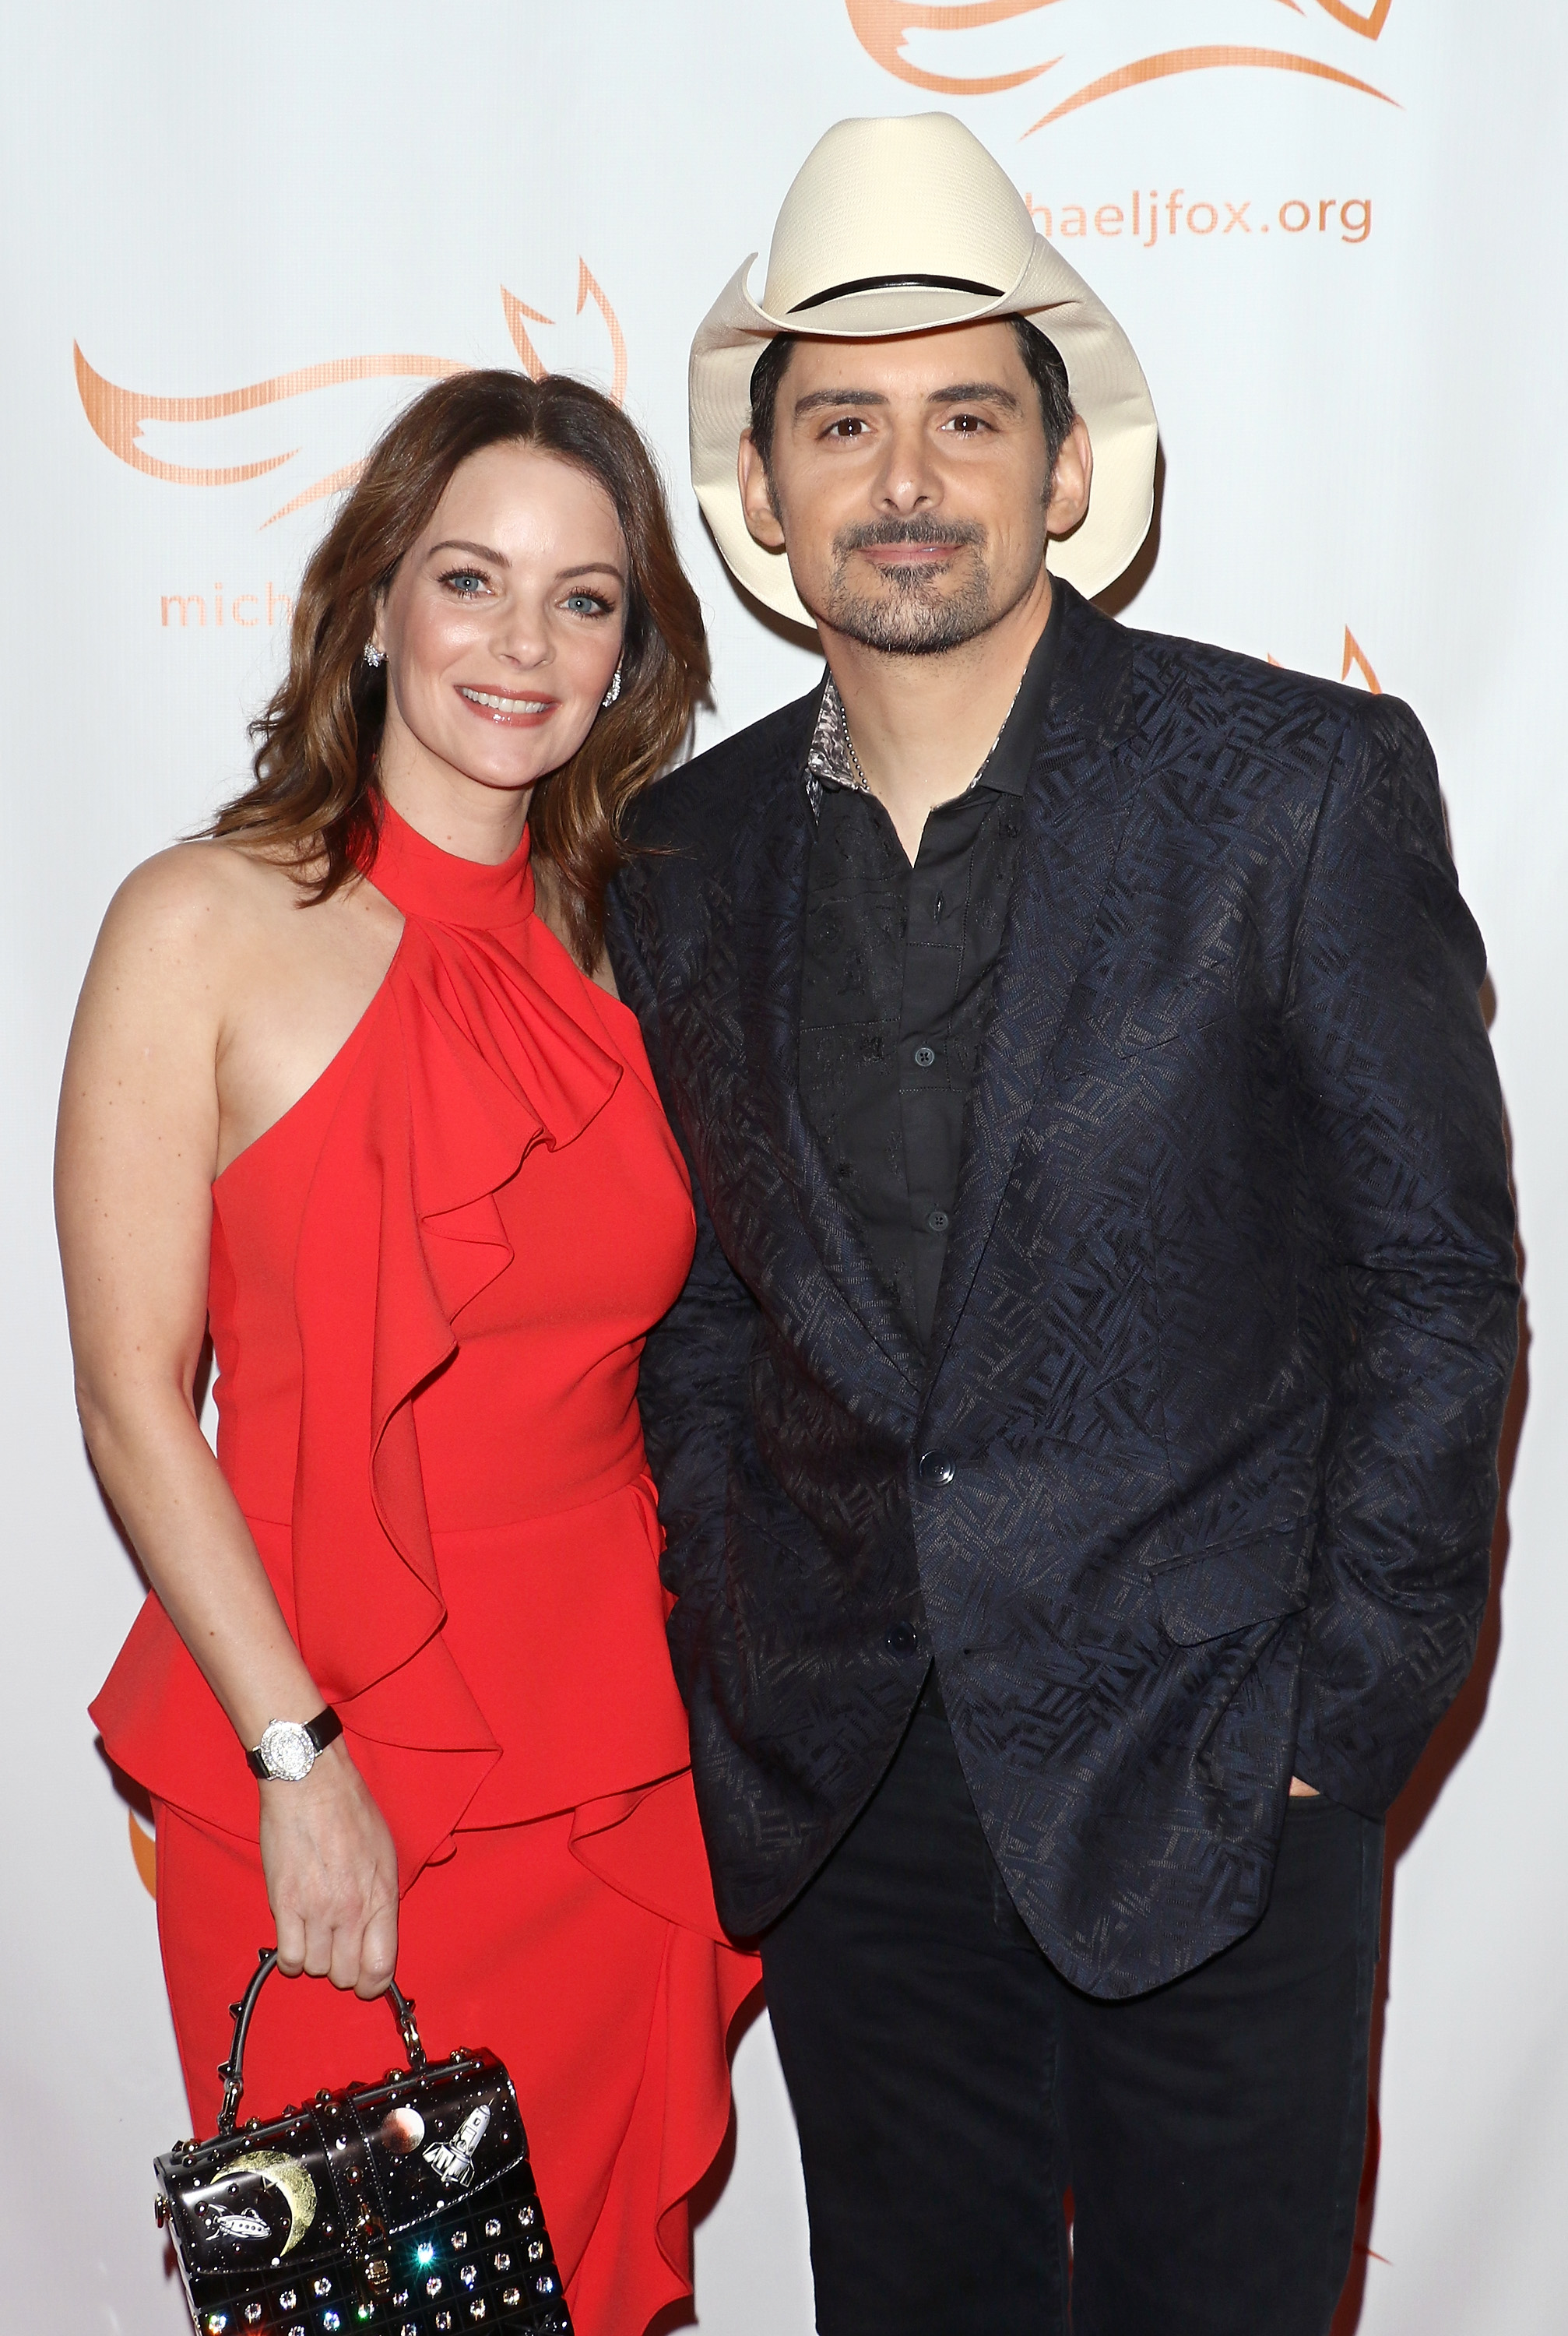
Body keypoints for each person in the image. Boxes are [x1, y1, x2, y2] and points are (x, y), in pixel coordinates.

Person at [606, 114, 1520, 2336]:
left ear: (1058, 471)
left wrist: (1339, 1720)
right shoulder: (671, 856)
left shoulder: (1289, 784)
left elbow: (1429, 1276)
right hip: (850, 1797)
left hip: (1214, 1770)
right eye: (839, 422)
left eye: (960, 417)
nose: (901, 477)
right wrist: (735, 1624)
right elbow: (704, 1306)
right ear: (761, 497)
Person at [58, 369, 758, 2336]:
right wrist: (298, 1758)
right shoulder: (199, 920)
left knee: (602, 2296)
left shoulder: (637, 951)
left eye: (585, 598)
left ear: (631, 647)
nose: (521, 646)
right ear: (375, 603)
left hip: (618, 1775)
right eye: (471, 580)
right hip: (322, 1762)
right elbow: (132, 1399)